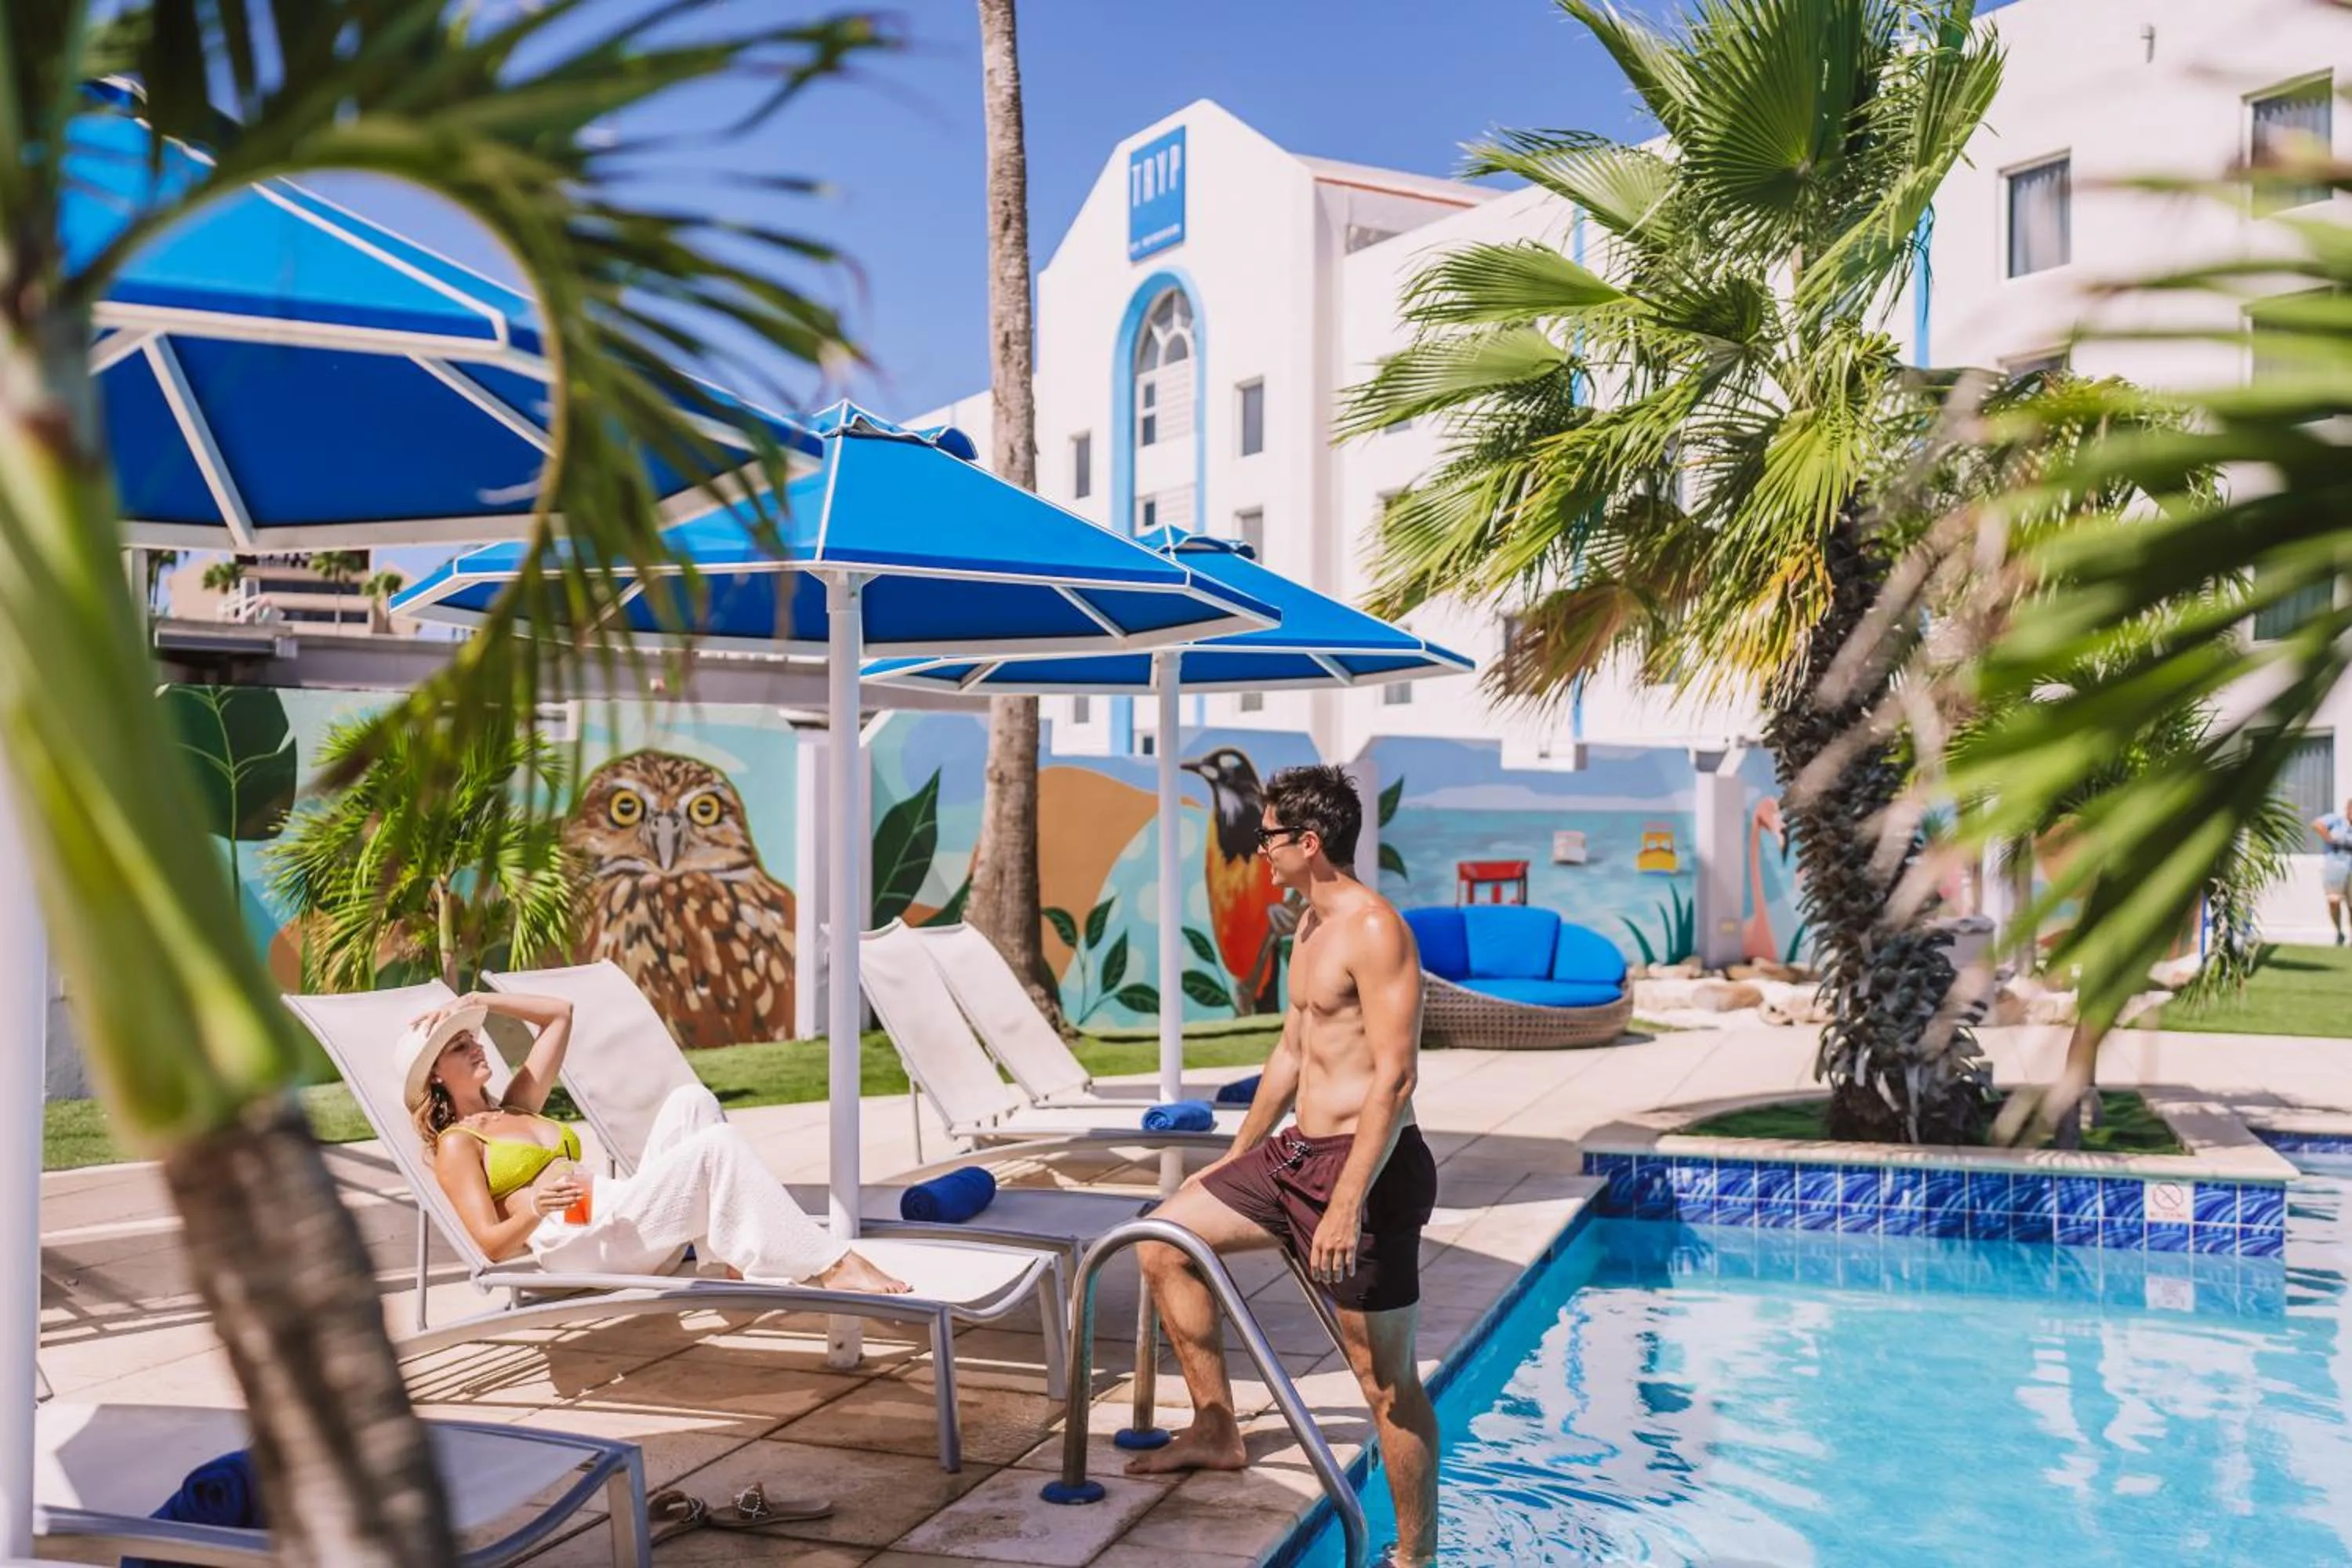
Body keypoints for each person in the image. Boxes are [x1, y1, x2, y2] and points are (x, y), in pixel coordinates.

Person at [1126, 764, 1441, 1568]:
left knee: (1385, 1383)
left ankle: (1416, 1554)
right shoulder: (1307, 924)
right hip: (1296, 1152)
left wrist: (1345, 1201)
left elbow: (1395, 1078)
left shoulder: (1376, 930)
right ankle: (1215, 1427)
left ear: (1309, 840)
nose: (1257, 848)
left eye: (1267, 836)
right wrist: (1236, 1160)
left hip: (1368, 1170)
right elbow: (1294, 1050)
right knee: (1163, 1240)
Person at [401, 989, 908, 1293]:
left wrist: (480, 1001)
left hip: (615, 1216)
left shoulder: (515, 1105)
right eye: (459, 1046)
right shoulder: (457, 1144)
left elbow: (560, 1014)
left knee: (692, 1101)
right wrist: (535, 1204)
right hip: (579, 1243)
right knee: (717, 1147)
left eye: (473, 1037)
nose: (476, 1046)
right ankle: (832, 1264)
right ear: (435, 1075)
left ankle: (722, 1258)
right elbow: (489, 1246)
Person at [2315, 798, 2352, 945]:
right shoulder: (2336, 821)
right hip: (2334, 870)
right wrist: (2330, 839)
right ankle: (2339, 932)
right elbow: (2317, 824)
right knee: (2334, 902)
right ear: (2348, 809)